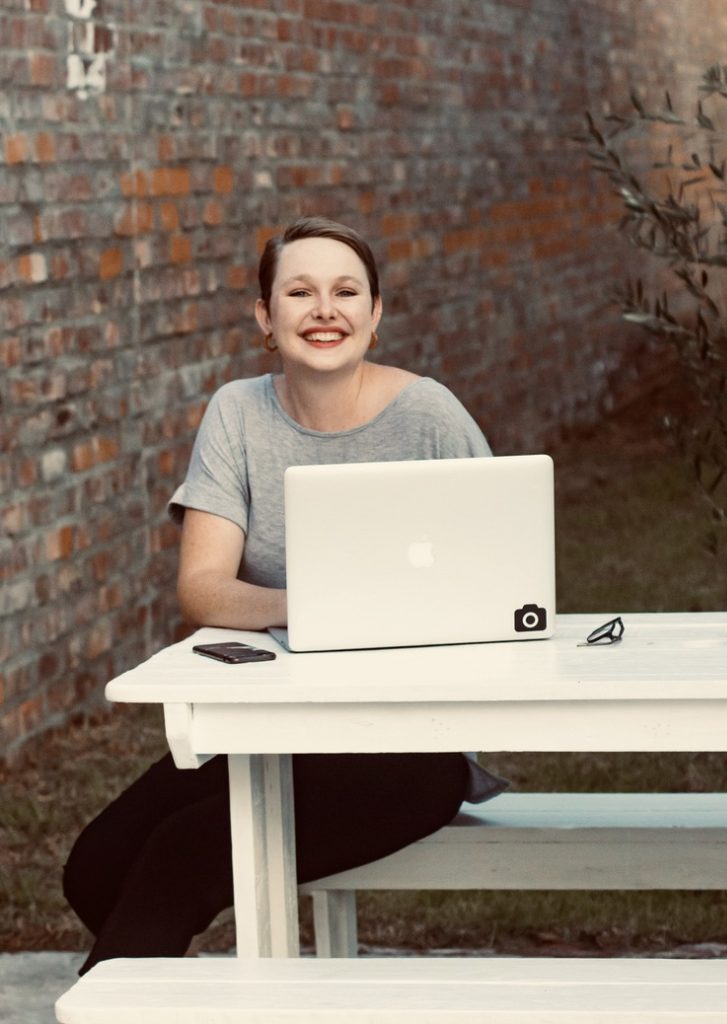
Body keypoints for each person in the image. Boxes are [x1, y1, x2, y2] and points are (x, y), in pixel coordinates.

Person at [63, 216, 507, 974]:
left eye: (346, 291)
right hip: (280, 730)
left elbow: (504, 582)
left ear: (376, 314)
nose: (324, 309)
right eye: (300, 292)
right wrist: (326, 603)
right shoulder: (238, 413)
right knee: (95, 867)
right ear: (266, 317)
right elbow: (203, 589)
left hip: (411, 744)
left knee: (186, 851)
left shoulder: (429, 415)